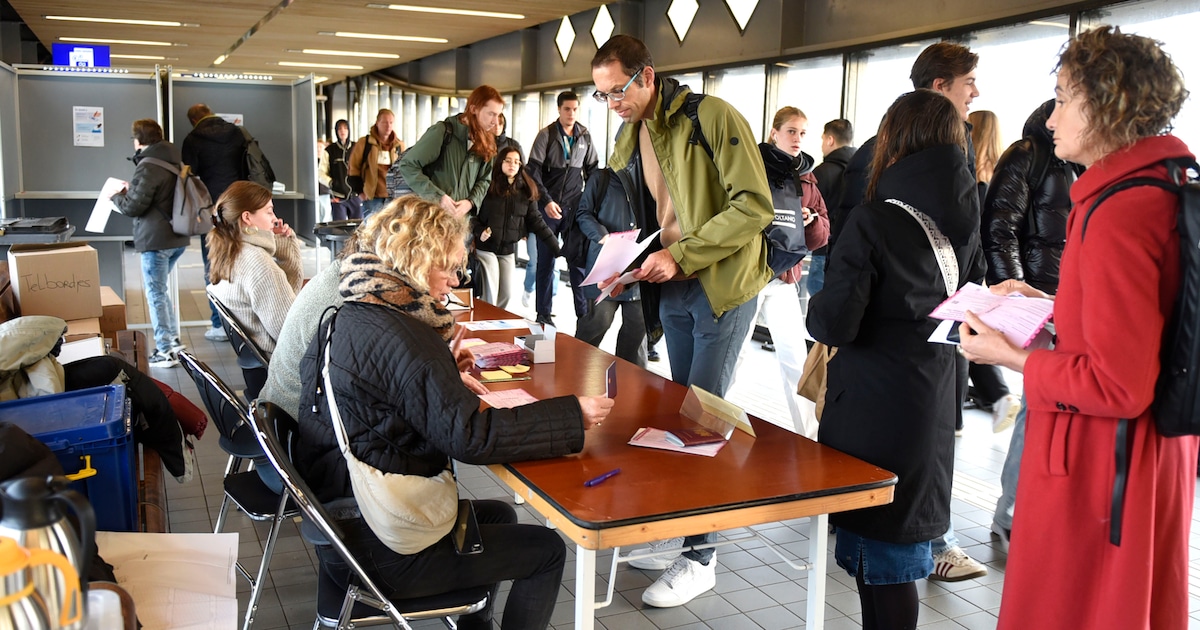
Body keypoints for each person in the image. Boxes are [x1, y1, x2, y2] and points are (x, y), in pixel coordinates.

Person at [960, 27, 1197, 630]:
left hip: (1101, 464)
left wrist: (1007, 355)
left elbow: (1119, 384)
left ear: (1106, 104)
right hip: (1150, 456)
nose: (1052, 115)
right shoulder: (1165, 188)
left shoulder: (1120, 210)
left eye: (1064, 97)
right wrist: (1052, 305)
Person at [295, 196, 614, 630]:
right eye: (447, 267)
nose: (455, 280)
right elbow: (472, 436)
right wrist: (572, 414)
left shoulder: (352, 311)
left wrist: (442, 375)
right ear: (416, 261)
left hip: (342, 521)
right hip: (385, 550)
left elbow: (384, 396)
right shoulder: (407, 338)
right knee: (547, 550)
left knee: (500, 515)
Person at [591, 34, 774, 608]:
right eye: (602, 95)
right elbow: (655, 216)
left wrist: (683, 254)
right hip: (673, 285)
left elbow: (755, 205)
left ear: (647, 76)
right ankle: (687, 528)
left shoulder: (712, 117)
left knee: (706, 416)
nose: (613, 103)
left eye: (618, 90)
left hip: (723, 284)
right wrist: (629, 260)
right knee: (681, 411)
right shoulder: (635, 133)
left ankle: (702, 556)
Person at [808, 89, 984, 630]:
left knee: (879, 565)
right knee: (901, 561)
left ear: (895, 141)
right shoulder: (968, 207)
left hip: (874, 411)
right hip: (932, 400)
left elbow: (833, 322)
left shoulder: (874, 219)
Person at [981, 99, 1079, 551]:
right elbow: (999, 227)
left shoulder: (1077, 167)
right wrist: (1015, 292)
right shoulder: (1028, 155)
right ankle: (1012, 515)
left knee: (1052, 406)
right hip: (1036, 301)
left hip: (1067, 303)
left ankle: (1024, 513)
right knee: (1041, 406)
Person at [731, 106, 829, 439]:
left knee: (796, 360)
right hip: (750, 277)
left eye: (803, 132)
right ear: (774, 133)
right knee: (734, 354)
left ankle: (811, 435)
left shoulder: (807, 178)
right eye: (791, 131)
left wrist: (810, 221)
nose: (798, 139)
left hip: (784, 279)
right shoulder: (751, 167)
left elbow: (822, 235)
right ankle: (707, 425)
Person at [206, 181, 302, 400]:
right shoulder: (258, 264)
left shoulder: (230, 253)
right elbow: (291, 334)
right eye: (269, 211)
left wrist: (285, 248)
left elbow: (285, 299)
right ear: (247, 218)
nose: (275, 218)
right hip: (284, 378)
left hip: (258, 373)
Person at [111, 119, 191, 368]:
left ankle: (165, 349)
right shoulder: (173, 158)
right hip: (176, 236)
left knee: (156, 293)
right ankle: (172, 340)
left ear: (139, 141)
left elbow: (135, 206)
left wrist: (115, 196)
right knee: (160, 291)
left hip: (156, 239)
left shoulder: (148, 164)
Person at [964, 110, 1021, 433]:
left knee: (965, 331)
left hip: (972, 266)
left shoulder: (968, 179)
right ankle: (999, 395)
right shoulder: (1000, 177)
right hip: (993, 271)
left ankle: (998, 394)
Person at [182, 103, 255, 343]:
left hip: (211, 207)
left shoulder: (193, 138)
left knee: (213, 262)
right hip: (238, 205)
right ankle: (245, 322)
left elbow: (190, 176)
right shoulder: (236, 132)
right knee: (242, 259)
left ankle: (218, 323)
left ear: (194, 120)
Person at [527, 91, 600, 326]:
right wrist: (546, 201)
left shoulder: (584, 136)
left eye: (575, 109)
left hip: (573, 209)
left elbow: (593, 172)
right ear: (559, 109)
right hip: (547, 208)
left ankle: (584, 315)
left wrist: (589, 204)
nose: (571, 113)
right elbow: (532, 172)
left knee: (577, 262)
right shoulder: (546, 135)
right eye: (567, 109)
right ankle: (543, 314)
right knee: (546, 262)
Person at [574, 167, 648, 367]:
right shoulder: (602, 178)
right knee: (596, 324)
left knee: (636, 334)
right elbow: (583, 212)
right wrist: (602, 236)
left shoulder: (650, 177)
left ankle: (631, 386)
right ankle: (574, 374)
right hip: (605, 265)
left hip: (639, 268)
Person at [397, 85, 501, 220]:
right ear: (473, 109)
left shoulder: (487, 142)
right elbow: (408, 165)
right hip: (432, 219)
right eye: (491, 114)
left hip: (461, 223)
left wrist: (470, 202)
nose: (495, 122)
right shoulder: (442, 132)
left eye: (498, 115)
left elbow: (485, 179)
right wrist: (438, 197)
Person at [474, 147, 560, 308]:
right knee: (491, 293)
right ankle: (484, 326)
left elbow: (536, 220)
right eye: (508, 160)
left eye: (516, 162)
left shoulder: (526, 189)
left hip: (508, 249)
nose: (512, 165)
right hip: (486, 247)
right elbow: (472, 216)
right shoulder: (487, 186)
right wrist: (480, 231)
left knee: (505, 295)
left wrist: (556, 247)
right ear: (500, 162)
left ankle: (493, 325)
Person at [809, 118, 855, 297]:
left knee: (817, 298)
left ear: (830, 140)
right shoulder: (862, 171)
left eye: (822, 140)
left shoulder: (821, 172)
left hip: (824, 249)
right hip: (852, 251)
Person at [348, 109, 403, 220]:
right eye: (384, 122)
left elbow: (404, 170)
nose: (388, 126)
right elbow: (353, 168)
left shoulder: (399, 145)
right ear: (377, 123)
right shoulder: (365, 143)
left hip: (393, 198)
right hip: (372, 197)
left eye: (391, 122)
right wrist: (360, 192)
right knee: (372, 232)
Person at [320, 119, 362, 221]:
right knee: (339, 228)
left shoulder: (357, 147)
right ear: (336, 131)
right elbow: (321, 172)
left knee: (358, 228)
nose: (342, 131)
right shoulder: (329, 150)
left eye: (345, 128)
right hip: (337, 196)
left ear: (349, 130)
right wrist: (331, 183)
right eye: (339, 129)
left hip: (356, 195)